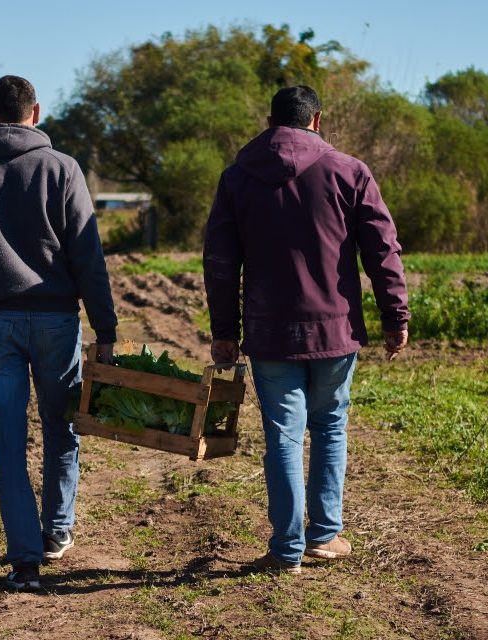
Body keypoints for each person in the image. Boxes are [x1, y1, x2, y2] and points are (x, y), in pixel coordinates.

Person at [203, 85, 409, 575]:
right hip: (335, 330)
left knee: (283, 435)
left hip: (269, 332)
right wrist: (394, 315)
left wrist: (224, 330)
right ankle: (323, 537)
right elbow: (383, 250)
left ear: (271, 122)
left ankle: (286, 549)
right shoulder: (350, 172)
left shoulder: (237, 178)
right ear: (317, 120)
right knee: (330, 425)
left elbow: (219, 261)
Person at [0, 75, 117, 592]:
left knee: (8, 442)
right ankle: (57, 532)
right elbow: (87, 256)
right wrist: (105, 327)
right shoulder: (63, 169)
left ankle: (25, 559)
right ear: (36, 112)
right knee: (62, 428)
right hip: (57, 322)